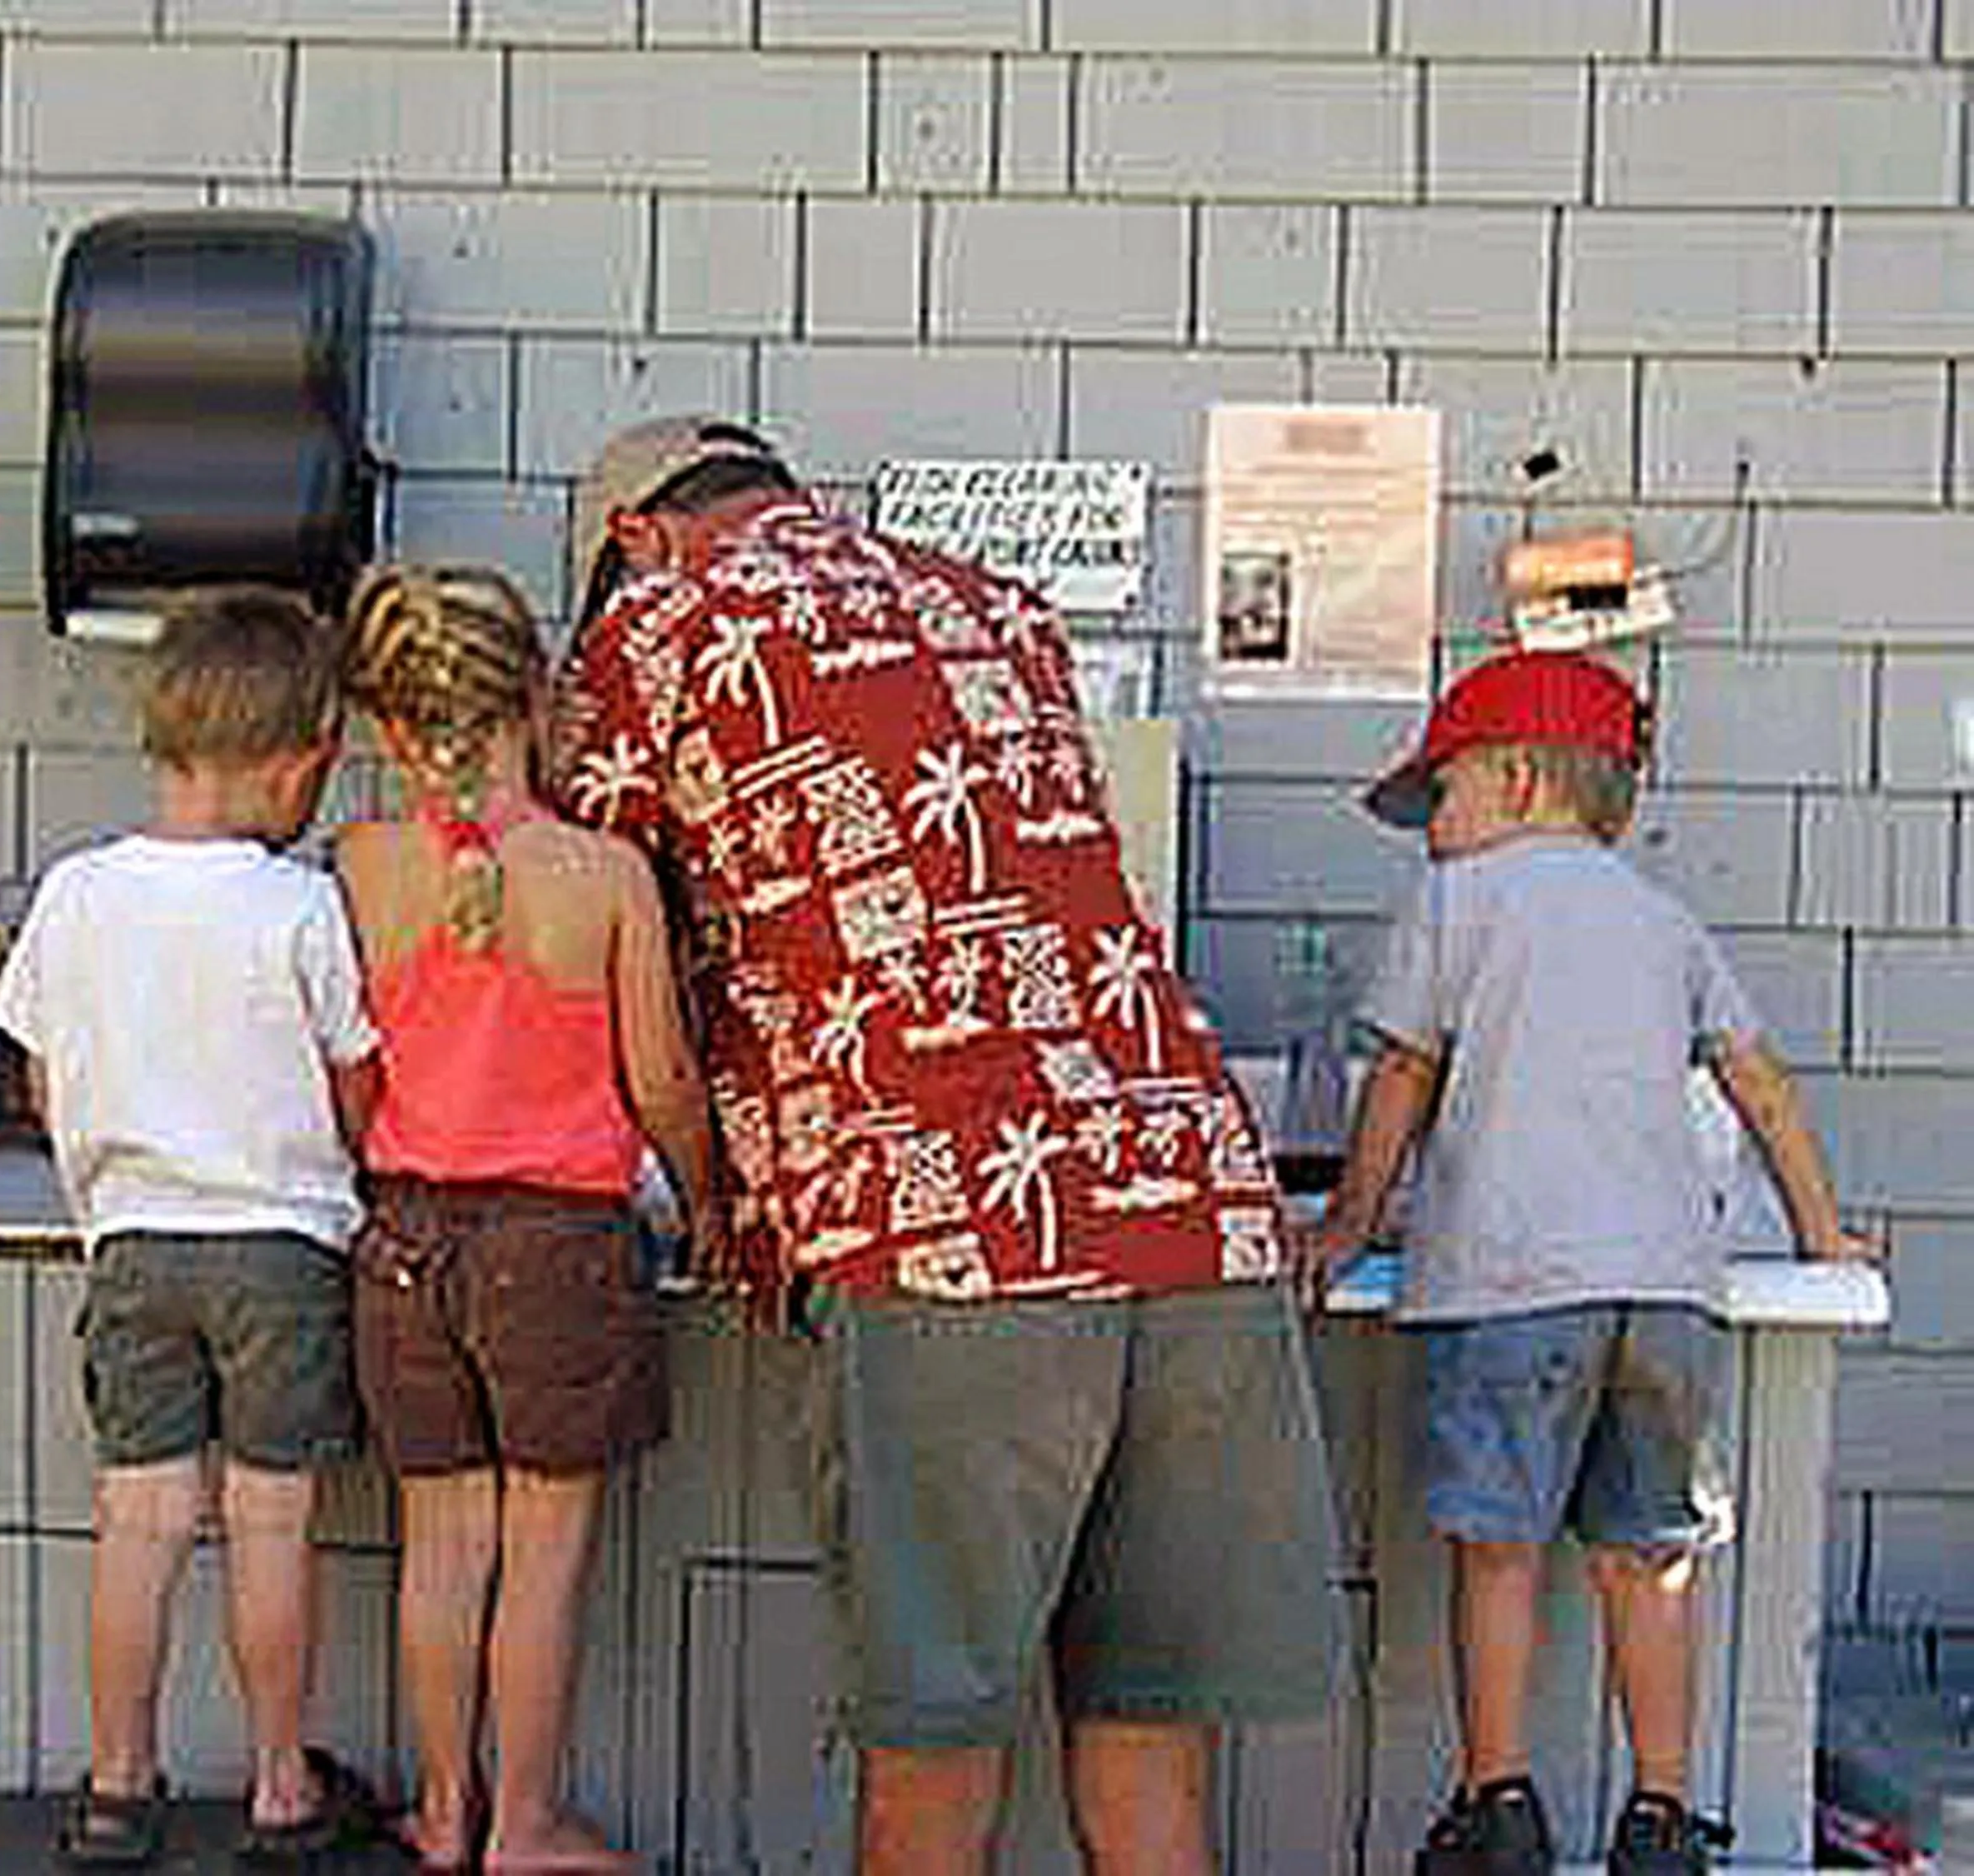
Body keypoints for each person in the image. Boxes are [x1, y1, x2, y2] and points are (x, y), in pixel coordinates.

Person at [555, 417, 1340, 1876]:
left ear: (641, 536)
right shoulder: (998, 604)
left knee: (937, 1749)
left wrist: (717, 1183)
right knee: (1150, 1737)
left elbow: (589, 908)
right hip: (1196, 1209)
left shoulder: (655, 625)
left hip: (950, 1222)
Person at [1303, 648, 1879, 1876]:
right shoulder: (1664, 920)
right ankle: (1662, 1817)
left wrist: (1349, 1224)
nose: (1431, 832)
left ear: (1516, 781)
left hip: (1508, 1283)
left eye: (1441, 797)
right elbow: (1757, 1082)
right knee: (1649, 1555)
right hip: (1668, 1291)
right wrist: (1824, 1232)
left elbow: (1402, 1072)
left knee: (1499, 1551)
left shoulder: (1457, 906)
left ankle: (1497, 1806)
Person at [0, 586, 383, 1869]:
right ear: (285, 764)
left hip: (133, 1246)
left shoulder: (77, 893)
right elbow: (357, 1085)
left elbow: (41, 1078)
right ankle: (280, 1785)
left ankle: (117, 1785)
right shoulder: (298, 907)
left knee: (140, 1524)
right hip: (281, 1253)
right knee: (272, 1524)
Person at [335, 565, 715, 1874]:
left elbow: (345, 1071)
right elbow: (663, 1080)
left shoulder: (359, 867)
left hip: (401, 1245)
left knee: (440, 1549)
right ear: (542, 705)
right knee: (542, 1560)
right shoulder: (606, 875)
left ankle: (443, 1812)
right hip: (560, 1255)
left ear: (389, 728)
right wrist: (713, 1202)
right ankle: (529, 1825)